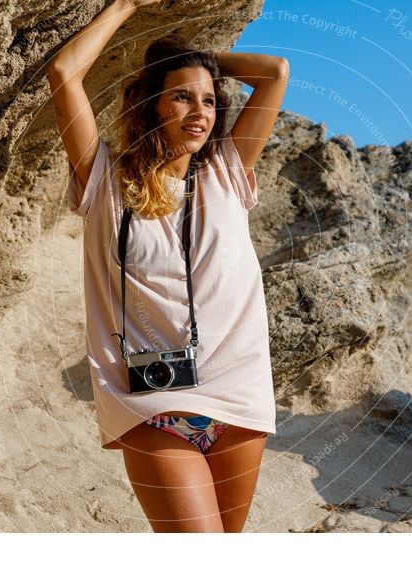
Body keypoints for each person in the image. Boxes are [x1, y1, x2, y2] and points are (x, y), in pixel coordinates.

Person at [47, 0, 289, 533]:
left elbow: (274, 74)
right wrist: (127, 8)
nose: (200, 112)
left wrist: (199, 60)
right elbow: (64, 74)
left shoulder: (227, 171)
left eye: (208, 100)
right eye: (181, 97)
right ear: (151, 103)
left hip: (238, 392)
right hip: (150, 400)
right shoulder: (104, 182)